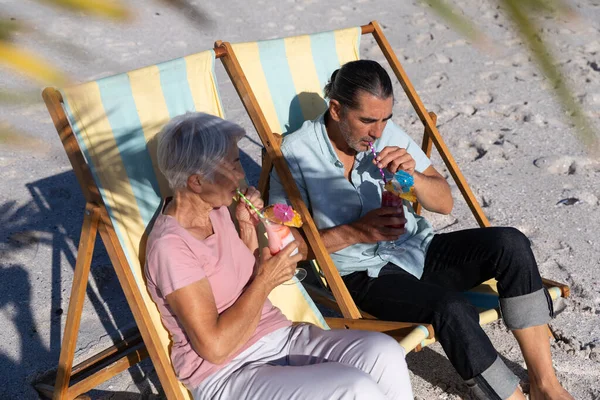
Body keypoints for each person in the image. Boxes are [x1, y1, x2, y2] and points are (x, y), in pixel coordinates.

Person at [268, 60, 574, 400]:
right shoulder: (295, 153)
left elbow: (443, 203)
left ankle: (546, 384)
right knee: (451, 308)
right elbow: (287, 245)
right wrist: (356, 232)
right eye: (367, 120)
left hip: (418, 250)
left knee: (510, 243)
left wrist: (414, 178)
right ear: (337, 109)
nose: (378, 131)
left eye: (384, 119)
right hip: (363, 276)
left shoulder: (387, 135)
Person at [144, 112, 414, 400]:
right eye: (234, 165)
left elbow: (240, 278)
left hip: (278, 338)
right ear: (197, 182)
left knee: (384, 352)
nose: (241, 175)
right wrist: (265, 280)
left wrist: (247, 229)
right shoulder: (170, 247)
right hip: (228, 372)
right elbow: (215, 347)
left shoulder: (217, 209)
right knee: (353, 388)